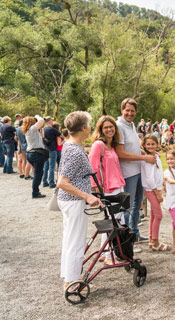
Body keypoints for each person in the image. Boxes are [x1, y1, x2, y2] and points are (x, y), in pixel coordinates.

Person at [57, 111, 102, 292]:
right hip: (74, 201)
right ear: (84, 128)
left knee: (70, 239)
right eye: (89, 125)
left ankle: (69, 277)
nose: (90, 129)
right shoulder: (75, 152)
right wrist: (86, 195)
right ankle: (74, 283)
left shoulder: (70, 145)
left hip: (69, 201)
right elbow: (62, 182)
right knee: (76, 242)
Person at [115, 98, 156, 252]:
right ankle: (127, 243)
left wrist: (145, 153)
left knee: (137, 205)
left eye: (133, 111)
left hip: (138, 171)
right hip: (128, 173)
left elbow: (132, 148)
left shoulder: (131, 125)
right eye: (127, 110)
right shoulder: (119, 126)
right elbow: (121, 153)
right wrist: (143, 158)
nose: (130, 113)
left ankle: (135, 234)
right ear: (122, 110)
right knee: (127, 207)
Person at [89, 115, 126, 265]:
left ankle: (106, 253)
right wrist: (96, 186)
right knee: (112, 221)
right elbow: (93, 166)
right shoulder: (99, 145)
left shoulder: (112, 145)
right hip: (108, 188)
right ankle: (110, 256)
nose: (109, 129)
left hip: (118, 186)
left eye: (111, 127)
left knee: (114, 220)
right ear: (100, 130)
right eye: (106, 127)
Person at [140, 134, 170, 251]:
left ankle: (151, 239)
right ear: (144, 145)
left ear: (157, 144)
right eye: (148, 144)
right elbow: (149, 179)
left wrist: (162, 184)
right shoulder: (148, 159)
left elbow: (158, 172)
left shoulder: (156, 156)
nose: (151, 146)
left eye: (153, 144)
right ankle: (156, 242)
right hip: (151, 189)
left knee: (153, 214)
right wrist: (157, 193)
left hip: (156, 188)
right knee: (158, 215)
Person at [24, 115, 47, 198]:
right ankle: (35, 192)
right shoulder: (32, 129)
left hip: (31, 153)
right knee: (38, 173)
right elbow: (41, 120)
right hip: (36, 153)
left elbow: (42, 137)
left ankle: (36, 190)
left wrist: (42, 130)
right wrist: (37, 116)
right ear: (32, 123)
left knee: (39, 172)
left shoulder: (29, 130)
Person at [42, 116, 61, 188]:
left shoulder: (42, 129)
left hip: (45, 149)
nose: (53, 122)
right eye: (52, 121)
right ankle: (51, 182)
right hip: (52, 149)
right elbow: (61, 135)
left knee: (45, 166)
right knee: (52, 167)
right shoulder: (53, 129)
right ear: (50, 121)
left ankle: (44, 181)